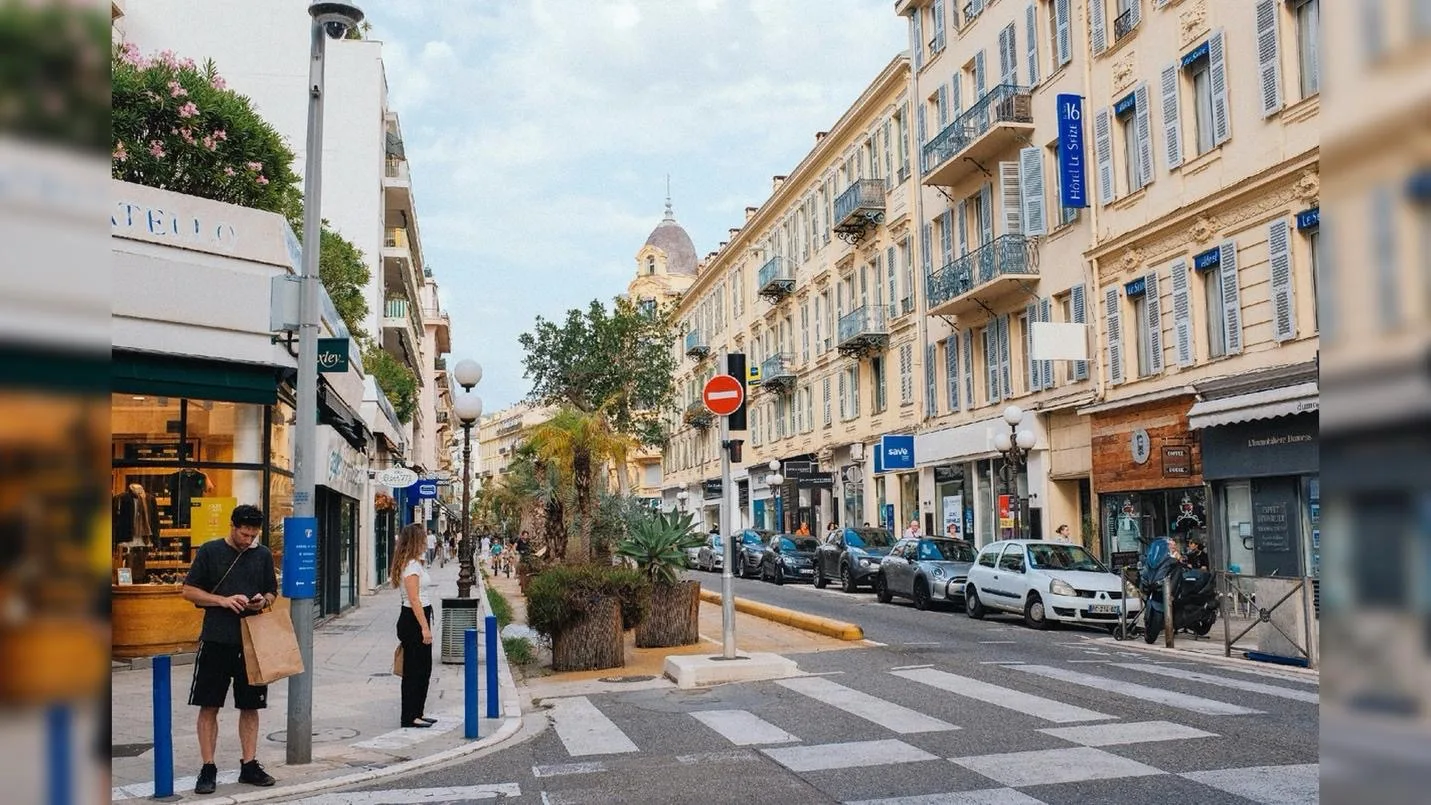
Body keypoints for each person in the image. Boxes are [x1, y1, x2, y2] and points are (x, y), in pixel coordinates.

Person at [180, 504, 278, 794]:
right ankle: (208, 767)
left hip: (252, 641)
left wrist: (263, 601)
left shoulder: (262, 554)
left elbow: (272, 591)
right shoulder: (210, 551)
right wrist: (222, 601)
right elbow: (188, 591)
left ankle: (249, 764)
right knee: (209, 705)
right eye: (244, 534)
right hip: (216, 639)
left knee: (251, 705)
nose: (248, 540)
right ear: (232, 526)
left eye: (253, 535)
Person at [390, 524, 436, 729]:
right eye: (423, 539)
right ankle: (409, 716)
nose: (426, 542)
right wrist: (424, 628)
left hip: (418, 616)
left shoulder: (415, 564)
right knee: (415, 669)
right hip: (413, 619)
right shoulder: (410, 567)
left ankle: (418, 712)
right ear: (416, 541)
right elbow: (414, 599)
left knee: (423, 668)